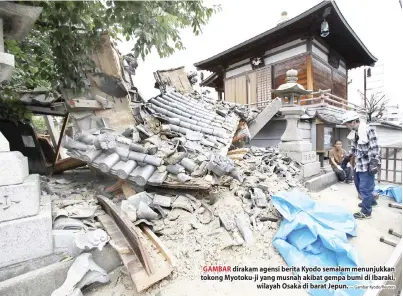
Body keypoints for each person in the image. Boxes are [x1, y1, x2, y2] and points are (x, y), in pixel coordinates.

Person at [342, 111, 381, 220]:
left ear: (354, 121)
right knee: (358, 185)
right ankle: (371, 202)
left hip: (367, 165)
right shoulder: (355, 133)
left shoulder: (369, 130)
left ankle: (366, 212)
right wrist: (347, 158)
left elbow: (376, 148)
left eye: (347, 123)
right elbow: (354, 148)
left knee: (365, 188)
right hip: (359, 164)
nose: (346, 126)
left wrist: (373, 163)